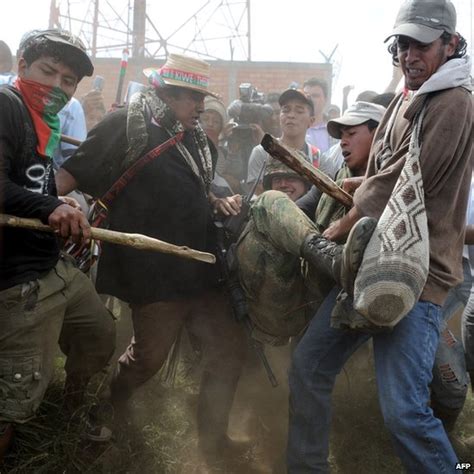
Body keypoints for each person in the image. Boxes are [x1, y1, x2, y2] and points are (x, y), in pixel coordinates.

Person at [287, 0, 472, 471]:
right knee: (310, 366)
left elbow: (408, 179)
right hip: (371, 261)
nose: (409, 55)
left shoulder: (455, 101)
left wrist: (341, 224)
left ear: (450, 44)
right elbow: (384, 167)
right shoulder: (410, 96)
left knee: (405, 412)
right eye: (402, 44)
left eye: (421, 45)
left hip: (417, 274)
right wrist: (354, 184)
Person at [55, 53, 246, 465]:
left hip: (202, 265)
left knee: (229, 350)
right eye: (193, 97)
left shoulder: (194, 137)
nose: (201, 106)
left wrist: (216, 200)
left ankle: (212, 441)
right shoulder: (124, 125)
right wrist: (48, 205)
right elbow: (66, 180)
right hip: (152, 271)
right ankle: (107, 409)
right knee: (148, 359)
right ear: (167, 93)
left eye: (202, 98)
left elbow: (192, 189)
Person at [0, 29, 116, 460]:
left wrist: (56, 197)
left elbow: (26, 178)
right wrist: (49, 206)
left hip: (55, 266)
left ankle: (70, 408)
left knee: (99, 334)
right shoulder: (6, 106)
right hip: (19, 281)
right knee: (14, 399)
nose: (56, 86)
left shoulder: (42, 119)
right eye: (48, 71)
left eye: (68, 81)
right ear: (22, 67)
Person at [236, 101, 386, 345]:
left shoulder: (393, 185)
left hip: (352, 292)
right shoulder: (335, 179)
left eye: (351, 134)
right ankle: (331, 258)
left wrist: (349, 217)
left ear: (379, 134)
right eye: (341, 136)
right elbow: (296, 209)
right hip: (307, 284)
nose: (343, 142)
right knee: (270, 203)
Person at [247, 88, 341, 196]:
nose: (291, 115)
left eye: (299, 111)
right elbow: (257, 192)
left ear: (311, 121)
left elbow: (324, 198)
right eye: (286, 110)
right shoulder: (262, 153)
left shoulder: (319, 161)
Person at [303, 77, 336, 153]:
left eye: (315, 96)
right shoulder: (293, 127)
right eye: (307, 95)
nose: (310, 99)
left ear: (325, 99)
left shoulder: (334, 131)